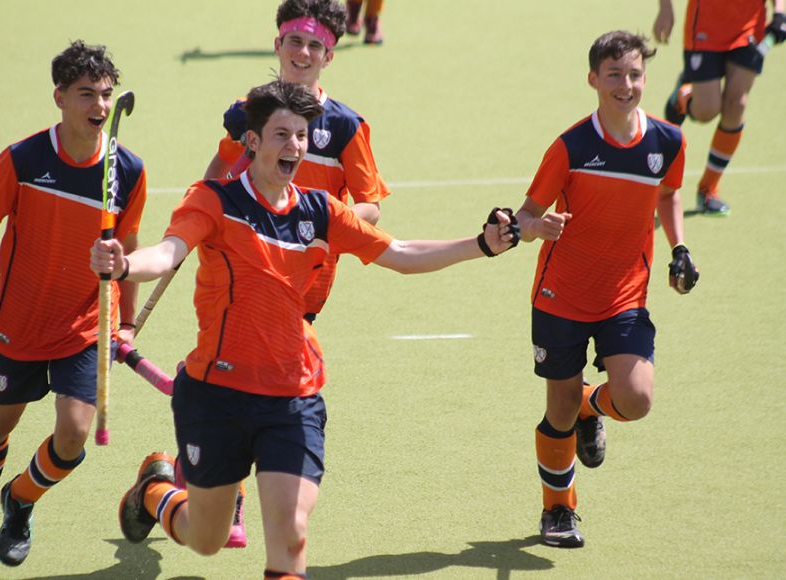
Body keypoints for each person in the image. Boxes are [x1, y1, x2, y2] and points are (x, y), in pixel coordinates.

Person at [90, 78, 517, 579]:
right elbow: (167, 253)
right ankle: (155, 492)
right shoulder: (212, 201)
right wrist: (122, 265)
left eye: (300, 135)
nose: (293, 145)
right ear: (252, 142)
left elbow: (399, 254)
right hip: (216, 395)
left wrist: (481, 244)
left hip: (292, 395)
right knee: (207, 538)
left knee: (291, 530)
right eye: (280, 134)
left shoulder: (321, 211)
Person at [202, 0, 391, 547]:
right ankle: (231, 494)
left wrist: (322, 222)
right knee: (250, 379)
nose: (303, 54)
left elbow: (371, 205)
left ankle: (178, 475)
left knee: (261, 383)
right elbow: (218, 173)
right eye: (294, 43)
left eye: (315, 46)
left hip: (305, 280)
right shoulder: (247, 113)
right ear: (277, 45)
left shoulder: (346, 126)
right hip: (238, 272)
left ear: (329, 55)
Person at [0, 40, 146, 579]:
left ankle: (19, 500)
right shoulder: (23, 160)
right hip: (19, 323)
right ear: (60, 97)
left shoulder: (127, 171)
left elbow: (128, 250)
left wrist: (126, 322)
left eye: (106, 94)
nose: (99, 105)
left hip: (84, 326)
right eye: (86, 93)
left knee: (73, 432)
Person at [510, 31, 699, 548]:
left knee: (635, 399)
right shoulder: (571, 146)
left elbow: (669, 197)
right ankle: (558, 510)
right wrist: (537, 225)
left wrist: (680, 248)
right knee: (560, 408)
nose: (625, 84)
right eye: (613, 74)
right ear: (593, 79)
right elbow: (526, 215)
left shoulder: (667, 142)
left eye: (634, 74)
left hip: (624, 295)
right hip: (562, 296)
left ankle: (597, 407)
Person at [653, 0, 786, 215]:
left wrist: (780, 11)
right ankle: (684, 96)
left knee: (737, 104)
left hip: (750, 27)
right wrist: (666, 9)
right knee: (707, 111)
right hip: (706, 26)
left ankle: (708, 189)